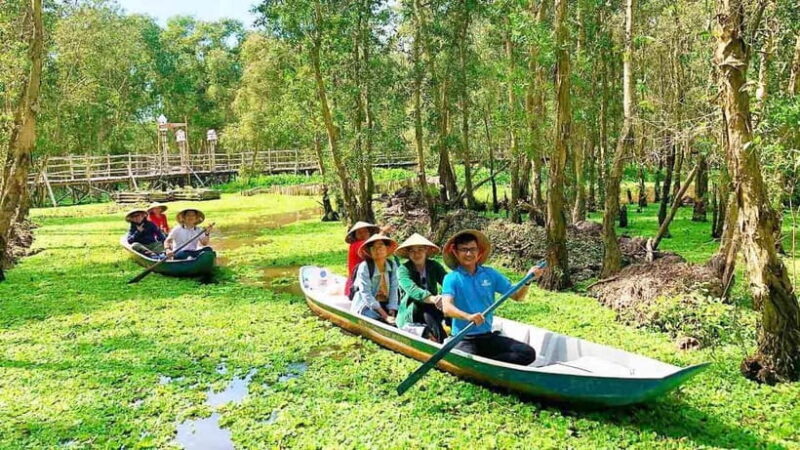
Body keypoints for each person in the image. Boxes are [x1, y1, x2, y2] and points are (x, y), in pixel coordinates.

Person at [440, 229, 544, 366]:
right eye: (464, 250)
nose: (469, 254)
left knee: (527, 353)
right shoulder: (451, 278)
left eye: (472, 249)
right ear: (455, 252)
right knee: (469, 362)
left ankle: (486, 363)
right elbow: (447, 308)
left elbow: (517, 296)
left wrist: (527, 280)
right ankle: (482, 363)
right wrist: (468, 316)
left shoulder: (490, 274)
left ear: (479, 251)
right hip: (463, 338)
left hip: (487, 337)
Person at [396, 233, 449, 343]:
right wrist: (434, 299)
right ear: (408, 253)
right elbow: (413, 290)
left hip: (433, 307)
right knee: (427, 310)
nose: (417, 254)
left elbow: (448, 283)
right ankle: (441, 340)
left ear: (426, 250)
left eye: (420, 250)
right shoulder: (403, 269)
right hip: (412, 310)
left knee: (447, 307)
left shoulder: (434, 266)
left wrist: (446, 297)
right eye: (412, 251)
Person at [350, 234, 399, 325]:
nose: (377, 250)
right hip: (367, 304)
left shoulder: (392, 265)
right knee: (375, 319)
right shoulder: (365, 267)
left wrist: (392, 309)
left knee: (401, 317)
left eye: (380, 246)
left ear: (387, 248)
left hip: (385, 302)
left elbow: (394, 288)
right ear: (369, 251)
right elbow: (366, 294)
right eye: (373, 248)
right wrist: (385, 316)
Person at [344, 221, 380, 297]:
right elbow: (371, 246)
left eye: (365, 231)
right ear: (355, 236)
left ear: (369, 233)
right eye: (359, 232)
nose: (363, 234)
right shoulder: (356, 245)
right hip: (355, 285)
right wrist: (382, 233)